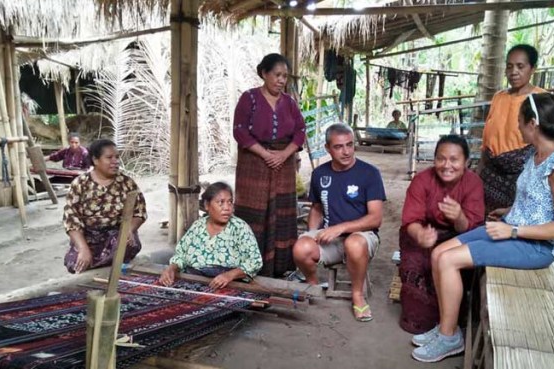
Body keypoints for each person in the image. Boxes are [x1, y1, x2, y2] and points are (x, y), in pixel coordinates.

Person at [411, 93, 554, 362]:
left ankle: (448, 338)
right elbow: (536, 201)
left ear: (533, 123)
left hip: (535, 247)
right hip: (512, 227)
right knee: (438, 252)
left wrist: (514, 230)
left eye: (519, 121)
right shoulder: (536, 155)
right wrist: (512, 213)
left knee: (448, 261)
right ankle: (448, 326)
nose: (516, 127)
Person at [293, 123, 386, 322]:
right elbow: (317, 207)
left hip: (363, 236)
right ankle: (314, 285)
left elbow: (375, 218)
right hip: (331, 238)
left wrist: (342, 227)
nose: (346, 151)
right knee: (301, 248)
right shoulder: (320, 174)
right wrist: (311, 234)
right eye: (338, 146)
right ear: (328, 148)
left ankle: (357, 296)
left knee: (353, 242)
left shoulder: (370, 173)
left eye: (350, 145)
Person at [399, 135, 485, 334]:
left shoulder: (474, 184)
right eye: (441, 158)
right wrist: (420, 234)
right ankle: (428, 322)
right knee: (417, 313)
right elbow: (411, 220)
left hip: (459, 236)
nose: (447, 165)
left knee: (454, 262)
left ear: (466, 162)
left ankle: (451, 325)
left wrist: (459, 217)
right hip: (424, 234)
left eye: (454, 159)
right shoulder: (422, 180)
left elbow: (472, 228)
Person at [233, 53, 306, 277]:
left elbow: (300, 131)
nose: (282, 80)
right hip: (253, 164)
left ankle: (279, 267)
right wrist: (265, 154)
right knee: (254, 214)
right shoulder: (249, 98)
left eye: (285, 76)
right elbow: (240, 131)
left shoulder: (290, 103)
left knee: (281, 213)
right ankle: (247, 266)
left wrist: (284, 155)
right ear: (264, 73)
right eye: (277, 75)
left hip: (283, 165)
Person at [477, 44, 546, 213]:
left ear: (533, 69)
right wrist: (479, 170)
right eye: (509, 66)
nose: (514, 71)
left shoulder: (541, 99)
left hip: (520, 176)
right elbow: (488, 137)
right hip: (490, 173)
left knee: (514, 223)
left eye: (520, 66)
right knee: (486, 222)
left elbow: (547, 142)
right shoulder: (499, 97)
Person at [63, 139, 147, 274]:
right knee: (74, 264)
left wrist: (129, 230)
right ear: (95, 160)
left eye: (117, 157)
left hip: (117, 234)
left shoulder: (126, 183)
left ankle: (106, 263)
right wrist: (83, 249)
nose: (116, 161)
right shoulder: (80, 184)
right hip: (89, 236)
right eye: (109, 157)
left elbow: (140, 212)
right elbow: (71, 220)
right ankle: (99, 259)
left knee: (126, 245)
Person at [159, 182, 263, 288]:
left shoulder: (239, 227)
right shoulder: (198, 226)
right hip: (194, 278)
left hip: (227, 284)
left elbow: (255, 261)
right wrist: (171, 269)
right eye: (221, 202)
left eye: (230, 202)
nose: (227, 208)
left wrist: (229, 275)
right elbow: (181, 255)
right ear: (207, 205)